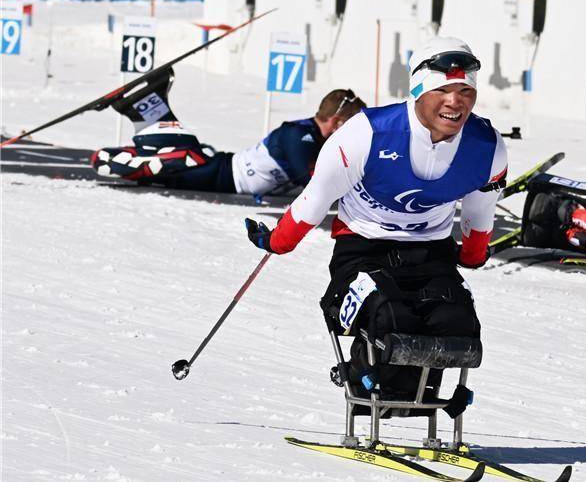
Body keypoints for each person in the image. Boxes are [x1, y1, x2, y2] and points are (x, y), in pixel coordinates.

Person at [244, 36, 508, 397]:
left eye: (465, 90)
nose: (456, 101)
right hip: (363, 250)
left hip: (430, 253)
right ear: (418, 91)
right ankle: (364, 384)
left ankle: (423, 400)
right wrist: (278, 241)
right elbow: (316, 198)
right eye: (444, 89)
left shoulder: (487, 146)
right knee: (390, 317)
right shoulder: (366, 134)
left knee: (457, 322)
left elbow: (480, 212)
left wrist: (474, 255)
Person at [90, 74, 366, 196]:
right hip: (223, 178)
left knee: (183, 152)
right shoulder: (300, 138)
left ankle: (145, 105)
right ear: (336, 121)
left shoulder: (308, 135)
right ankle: (127, 151)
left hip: (222, 169)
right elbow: (313, 182)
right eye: (351, 123)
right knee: (176, 165)